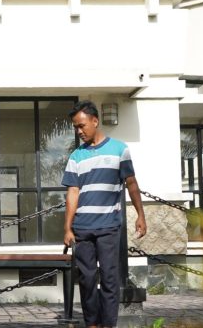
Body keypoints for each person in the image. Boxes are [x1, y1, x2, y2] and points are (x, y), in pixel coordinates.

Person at [62, 100, 147, 328]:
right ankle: (92, 324)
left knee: (110, 280)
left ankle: (108, 325)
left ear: (95, 121)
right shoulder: (76, 157)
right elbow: (72, 193)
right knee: (87, 280)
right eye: (76, 128)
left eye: (82, 126)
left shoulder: (120, 149)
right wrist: (67, 228)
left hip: (109, 227)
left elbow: (131, 183)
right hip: (82, 229)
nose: (79, 131)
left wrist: (141, 214)